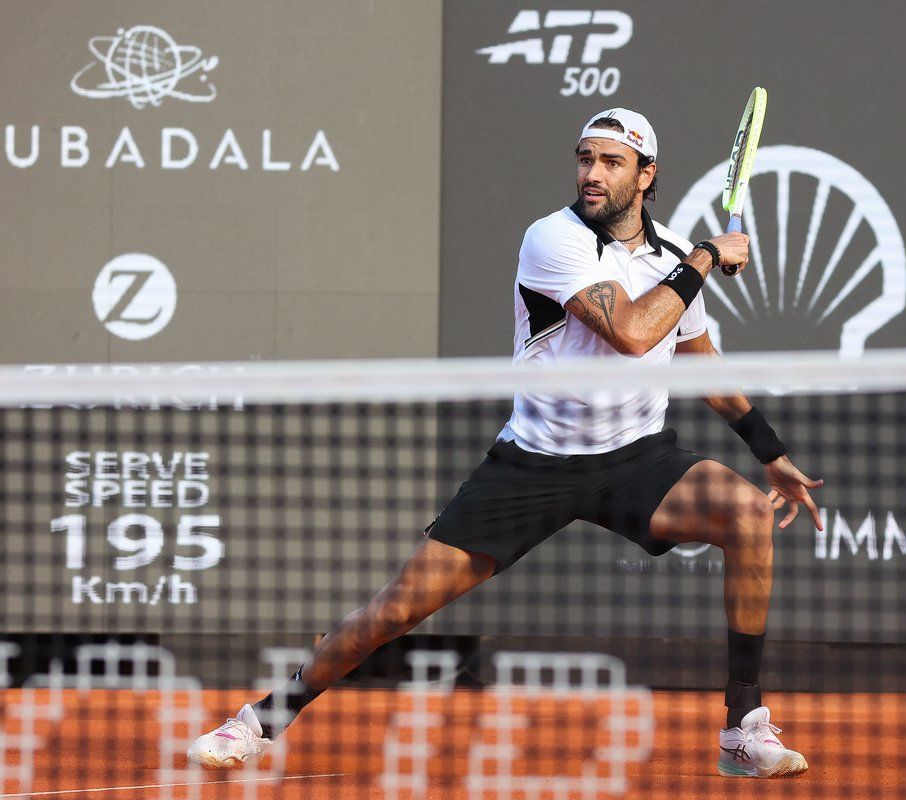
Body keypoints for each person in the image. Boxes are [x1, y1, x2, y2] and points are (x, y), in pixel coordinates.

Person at [187, 108, 823, 780]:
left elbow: (697, 356)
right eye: (585, 159)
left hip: (637, 458)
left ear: (646, 174)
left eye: (611, 162)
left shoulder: (669, 263)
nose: (593, 174)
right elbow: (634, 334)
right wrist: (705, 255)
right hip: (534, 463)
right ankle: (261, 719)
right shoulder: (555, 239)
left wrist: (769, 451)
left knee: (748, 514)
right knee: (396, 609)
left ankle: (742, 728)